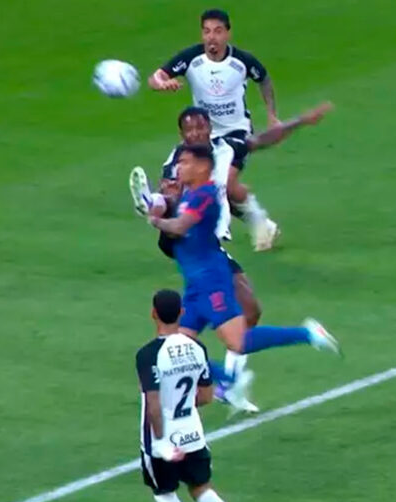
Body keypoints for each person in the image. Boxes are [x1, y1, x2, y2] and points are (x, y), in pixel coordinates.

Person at [130, 103, 332, 383]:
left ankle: (233, 376)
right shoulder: (178, 163)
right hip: (193, 251)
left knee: (243, 316)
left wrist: (299, 121)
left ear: (209, 128)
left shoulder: (225, 151)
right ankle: (231, 377)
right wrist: (154, 203)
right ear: (181, 134)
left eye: (200, 126)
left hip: (204, 251)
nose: (195, 133)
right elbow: (170, 198)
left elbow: (262, 140)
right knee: (190, 341)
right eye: (189, 129)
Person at [148, 144, 339, 412]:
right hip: (195, 285)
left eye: (186, 162)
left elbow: (179, 227)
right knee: (176, 346)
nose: (179, 167)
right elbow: (173, 224)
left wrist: (156, 221)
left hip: (212, 281)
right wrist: (158, 209)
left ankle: (307, 333)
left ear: (203, 167)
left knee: (237, 341)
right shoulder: (189, 196)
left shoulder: (205, 195)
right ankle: (229, 382)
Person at [148, 8, 282, 251]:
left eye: (218, 31)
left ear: (227, 34)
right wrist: (162, 84)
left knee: (224, 180)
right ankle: (261, 222)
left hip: (237, 132)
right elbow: (155, 77)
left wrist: (272, 115)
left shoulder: (241, 61)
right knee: (218, 187)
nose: (212, 37)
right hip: (203, 135)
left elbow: (264, 79)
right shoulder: (191, 58)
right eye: (207, 31)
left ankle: (219, 231)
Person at [136, 289, 235, 502]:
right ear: (181, 312)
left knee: (165, 493)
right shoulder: (197, 348)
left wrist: (162, 443)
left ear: (153, 313)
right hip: (193, 433)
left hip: (162, 438)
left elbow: (153, 405)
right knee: (201, 488)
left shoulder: (148, 355)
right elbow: (207, 396)